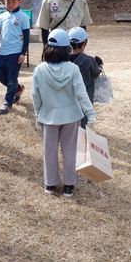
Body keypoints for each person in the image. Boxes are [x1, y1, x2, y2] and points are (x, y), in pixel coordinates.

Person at [32, 28, 96, 198]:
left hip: (49, 117)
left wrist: (37, 114)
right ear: (66, 48)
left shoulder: (39, 70)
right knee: (70, 151)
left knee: (49, 151)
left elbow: (35, 96)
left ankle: (50, 184)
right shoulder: (73, 69)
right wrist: (91, 114)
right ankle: (69, 186)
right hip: (71, 116)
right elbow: (82, 94)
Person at [0, 0, 30, 115]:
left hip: (15, 53)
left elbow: (27, 37)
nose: (10, 4)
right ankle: (17, 88)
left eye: (13, 1)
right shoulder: (2, 16)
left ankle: (8, 102)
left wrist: (23, 53)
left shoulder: (23, 17)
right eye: (8, 1)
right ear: (4, 0)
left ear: (19, 1)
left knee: (12, 78)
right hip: (2, 52)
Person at [68, 27, 103, 127]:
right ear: (84, 44)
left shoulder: (63, 59)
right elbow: (96, 73)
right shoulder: (89, 60)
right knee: (83, 121)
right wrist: (99, 65)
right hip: (85, 96)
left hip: (67, 97)